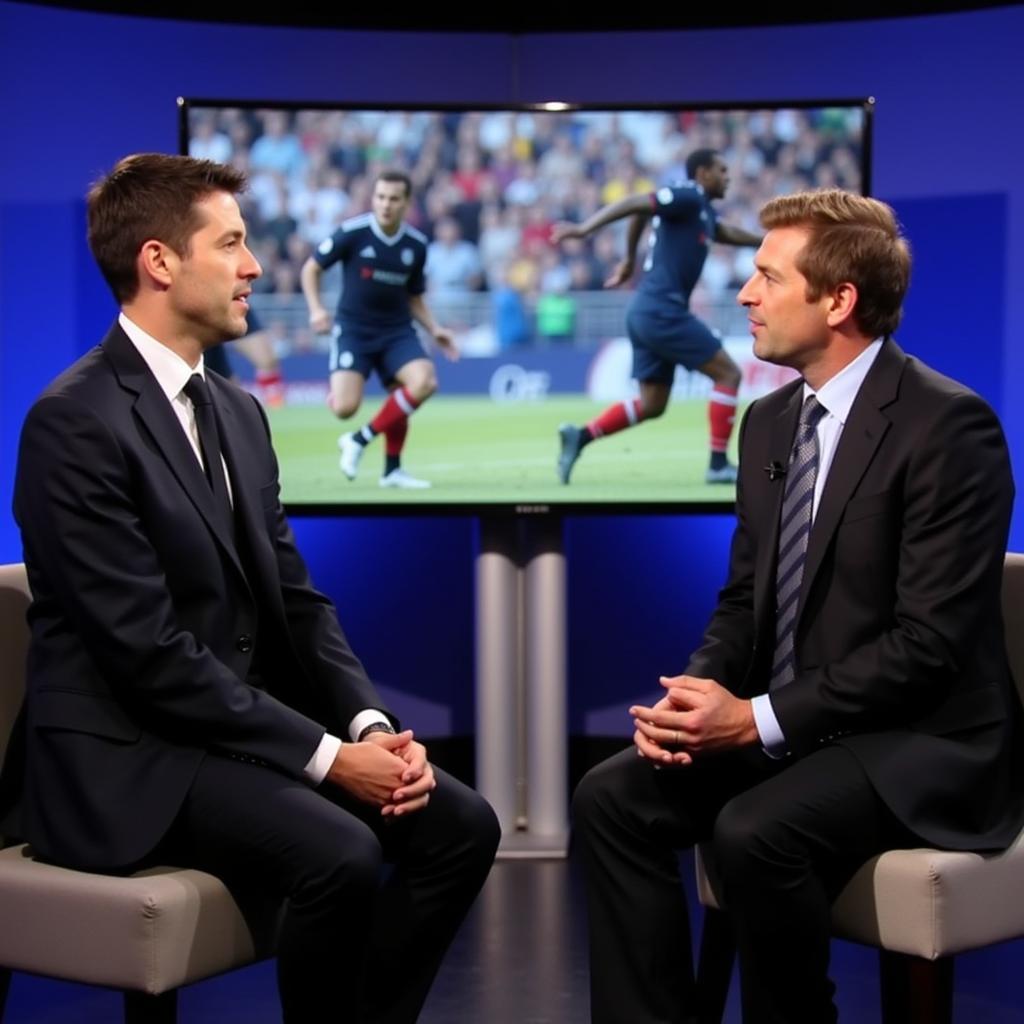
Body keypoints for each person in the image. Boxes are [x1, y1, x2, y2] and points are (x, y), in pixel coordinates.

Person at [2, 154, 499, 1024]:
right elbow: (146, 654)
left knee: (463, 825)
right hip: (127, 758)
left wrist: (370, 727)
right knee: (338, 851)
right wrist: (328, 760)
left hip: (223, 734)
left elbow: (296, 601)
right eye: (231, 243)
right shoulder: (72, 421)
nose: (255, 267)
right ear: (160, 262)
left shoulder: (237, 410)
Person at [571, 188, 1022, 1023]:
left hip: (919, 740)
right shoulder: (771, 421)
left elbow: (926, 648)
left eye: (767, 278)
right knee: (611, 798)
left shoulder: (950, 427)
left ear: (839, 300)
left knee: (755, 830)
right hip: (802, 724)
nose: (744, 295)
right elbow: (746, 597)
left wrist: (757, 719)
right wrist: (694, 697)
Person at [552, 149, 762, 485]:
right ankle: (718, 464)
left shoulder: (701, 211)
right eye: (722, 170)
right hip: (662, 310)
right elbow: (636, 202)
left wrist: (768, 241)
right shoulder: (689, 195)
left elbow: (723, 232)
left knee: (652, 404)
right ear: (703, 173)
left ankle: (581, 437)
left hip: (645, 311)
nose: (728, 177)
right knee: (728, 375)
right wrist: (584, 229)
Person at [301, 170, 458, 490]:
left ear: (407, 203)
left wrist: (434, 328)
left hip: (396, 331)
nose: (386, 204)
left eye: (394, 198)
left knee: (423, 382)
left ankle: (385, 464)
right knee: (345, 409)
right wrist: (317, 309)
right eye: (381, 197)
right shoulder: (352, 232)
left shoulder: (416, 245)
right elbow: (311, 268)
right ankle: (347, 413)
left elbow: (413, 295)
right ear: (373, 198)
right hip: (353, 330)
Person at [204, 307, 286, 407]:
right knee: (227, 391)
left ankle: (275, 408)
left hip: (232, 303)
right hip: (201, 310)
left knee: (267, 361)